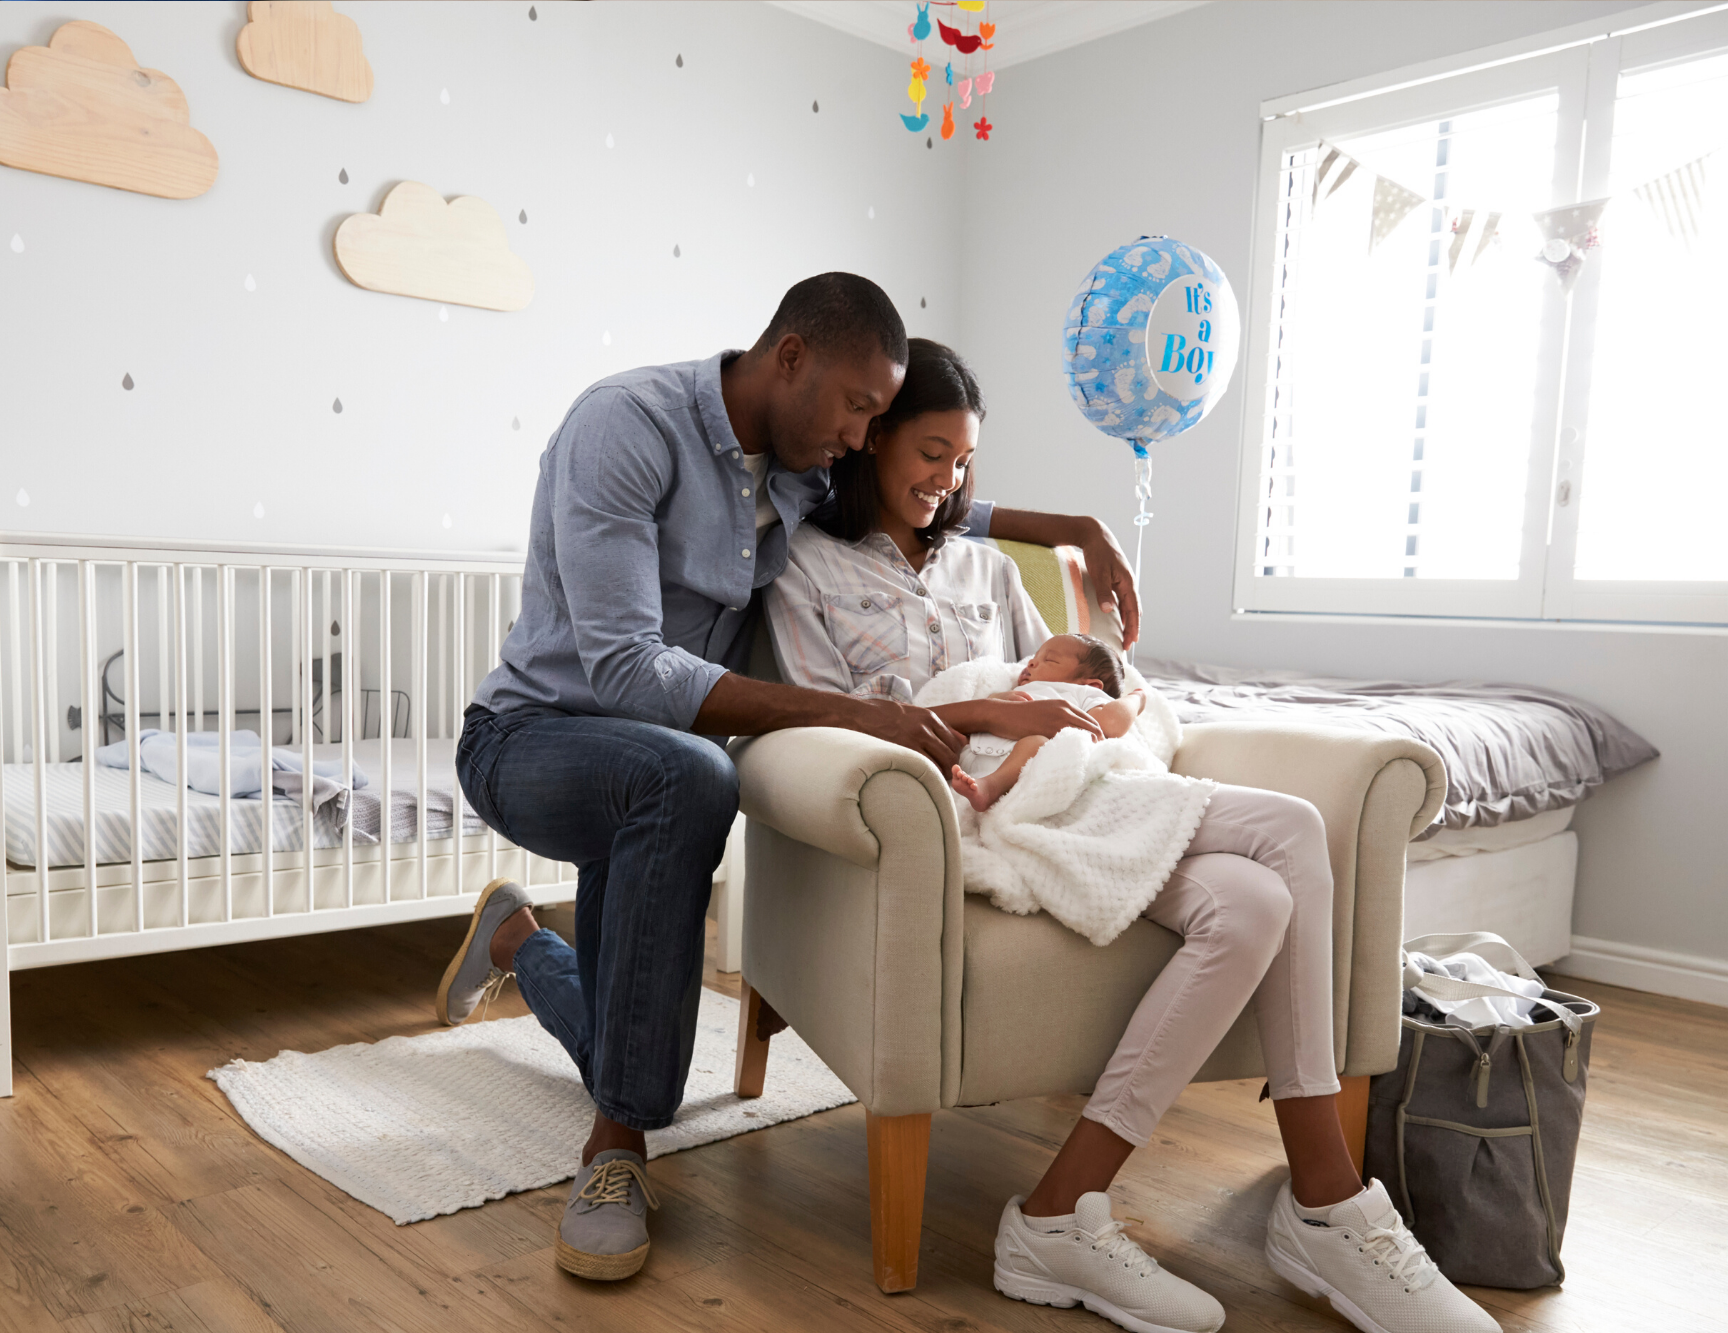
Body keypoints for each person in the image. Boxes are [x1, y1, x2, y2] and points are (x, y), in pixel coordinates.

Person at [765, 338, 1500, 1333]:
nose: (947, 480)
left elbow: (1065, 676)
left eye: (962, 462)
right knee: (1287, 830)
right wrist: (1004, 720)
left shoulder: (983, 569)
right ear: (871, 440)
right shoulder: (804, 566)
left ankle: (1060, 1207)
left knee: (1253, 904)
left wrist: (1099, 701)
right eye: (928, 453)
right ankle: (1326, 1199)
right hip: (952, 817)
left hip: (1072, 800)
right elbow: (832, 721)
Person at [441, 274, 1138, 1282]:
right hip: (531, 739)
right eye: (859, 407)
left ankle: (514, 938)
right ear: (791, 359)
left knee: (626, 1014)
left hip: (645, 774)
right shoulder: (623, 425)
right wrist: (873, 715)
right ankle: (613, 1153)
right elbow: (627, 670)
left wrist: (1071, 526)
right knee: (685, 778)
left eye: (875, 418)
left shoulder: (805, 466)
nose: (864, 436)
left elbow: (934, 495)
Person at [945, 632, 1147, 812]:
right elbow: (982, 712)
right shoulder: (1013, 687)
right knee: (948, 737)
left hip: (1019, 761)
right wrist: (999, 698)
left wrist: (1137, 699)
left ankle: (990, 787)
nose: (1031, 663)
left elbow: (1111, 722)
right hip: (971, 754)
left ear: (1089, 683)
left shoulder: (1084, 693)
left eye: (1049, 660)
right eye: (1034, 658)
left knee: (1036, 742)